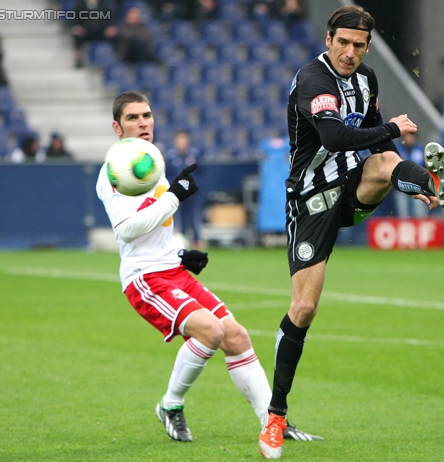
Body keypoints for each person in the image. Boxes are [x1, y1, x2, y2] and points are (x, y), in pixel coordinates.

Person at [257, 5, 444, 459]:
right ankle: (276, 415)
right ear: (328, 39)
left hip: (353, 185)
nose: (350, 52)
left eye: (359, 45)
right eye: (343, 42)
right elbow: (332, 138)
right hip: (311, 200)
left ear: (367, 47)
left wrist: (406, 173)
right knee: (304, 308)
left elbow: (379, 144)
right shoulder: (314, 80)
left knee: (387, 163)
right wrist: (391, 128)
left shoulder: (367, 81)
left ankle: (429, 182)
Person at [96, 90, 320, 445]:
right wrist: (175, 196)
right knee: (211, 332)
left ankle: (273, 422)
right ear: (116, 127)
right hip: (145, 278)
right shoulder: (117, 171)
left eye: (147, 115)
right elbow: (127, 228)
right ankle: (170, 405)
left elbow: (155, 224)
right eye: (133, 118)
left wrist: (180, 253)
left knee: (237, 336)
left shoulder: (151, 162)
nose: (143, 123)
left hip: (171, 269)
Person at [164, 129, 205, 248]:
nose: (182, 142)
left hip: (193, 193)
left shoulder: (195, 155)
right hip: (177, 194)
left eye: (184, 139)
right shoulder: (171, 157)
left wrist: (195, 187)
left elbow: (200, 173)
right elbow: (168, 175)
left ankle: (197, 239)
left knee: (194, 216)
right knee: (178, 218)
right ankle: (181, 239)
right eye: (179, 139)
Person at [70, 0, 118, 68]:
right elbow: (74, 18)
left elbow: (111, 18)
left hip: (101, 32)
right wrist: (77, 27)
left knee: (114, 34)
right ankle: (79, 58)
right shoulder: (80, 4)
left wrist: (111, 27)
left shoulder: (104, 4)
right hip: (85, 32)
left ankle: (115, 57)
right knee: (76, 34)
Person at [392, 132, 429, 218]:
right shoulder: (398, 150)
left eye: (411, 136)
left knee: (419, 211)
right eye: (407, 136)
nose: (409, 138)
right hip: (401, 186)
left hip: (418, 186)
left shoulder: (420, 150)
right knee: (403, 212)